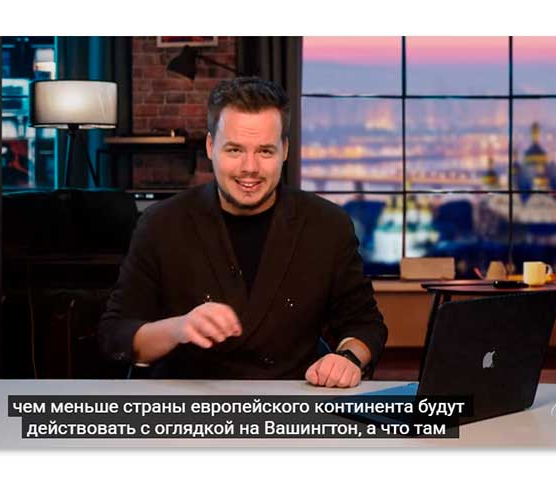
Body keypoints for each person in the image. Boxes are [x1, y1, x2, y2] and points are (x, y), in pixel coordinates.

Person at [98, 77, 387, 387]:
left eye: (265, 151)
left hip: (291, 402)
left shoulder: (327, 225)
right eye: (234, 150)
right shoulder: (161, 223)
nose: (250, 167)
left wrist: (347, 359)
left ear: (285, 150)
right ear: (211, 147)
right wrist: (178, 328)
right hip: (186, 404)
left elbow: (364, 324)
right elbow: (115, 335)